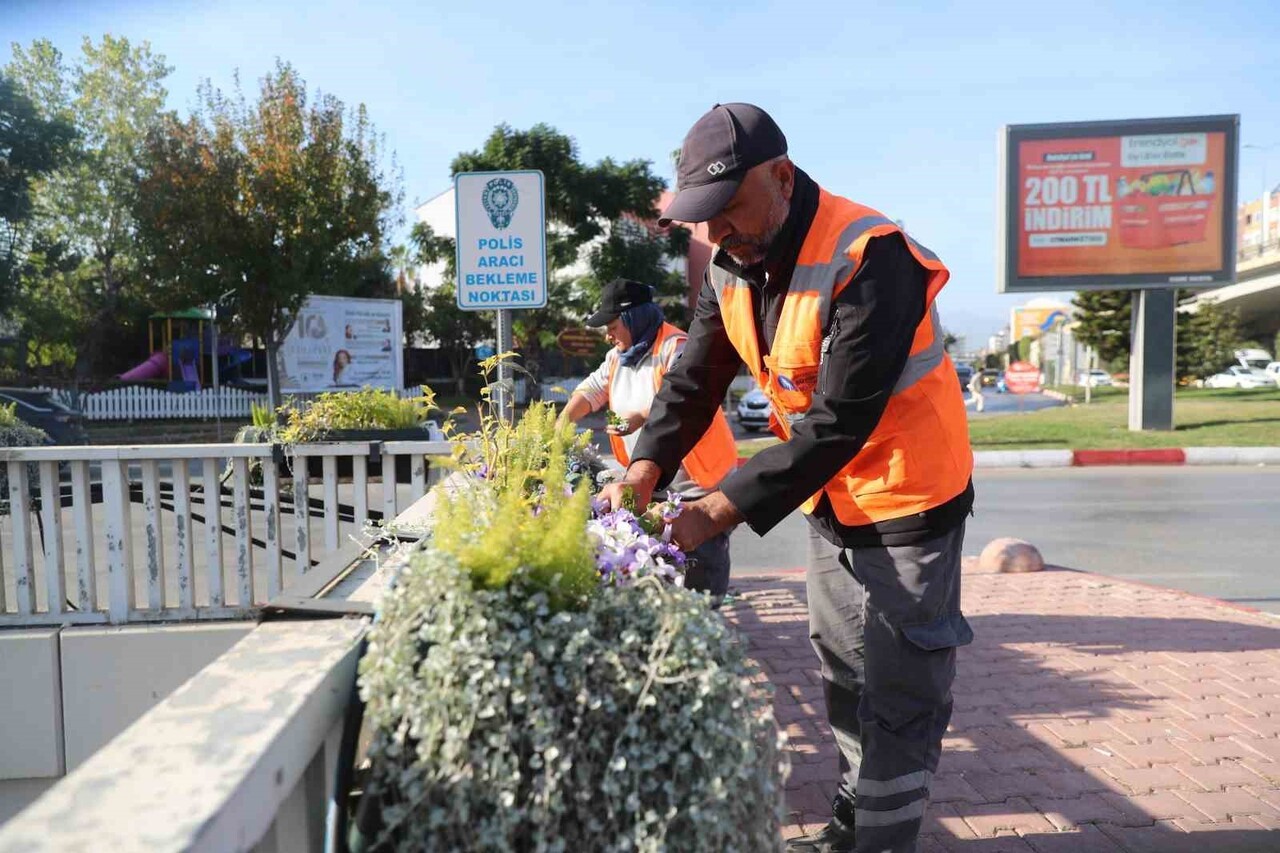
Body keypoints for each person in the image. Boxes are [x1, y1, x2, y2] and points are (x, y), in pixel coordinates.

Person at [599, 104, 975, 853]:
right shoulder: (732, 264)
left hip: (909, 499)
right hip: (828, 502)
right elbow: (694, 379)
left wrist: (716, 510)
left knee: (900, 691)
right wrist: (645, 469)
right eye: (705, 219)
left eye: (728, 209)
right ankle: (850, 829)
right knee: (844, 671)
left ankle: (884, 842)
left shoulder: (871, 256)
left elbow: (839, 420)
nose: (718, 232)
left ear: (780, 177)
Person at [560, 278, 739, 601]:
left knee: (700, 566)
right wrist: (561, 424)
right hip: (651, 483)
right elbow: (591, 390)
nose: (608, 335)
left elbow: (680, 400)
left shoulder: (677, 347)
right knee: (663, 572)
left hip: (698, 483)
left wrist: (641, 416)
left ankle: (707, 618)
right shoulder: (618, 357)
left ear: (633, 319)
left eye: (612, 326)